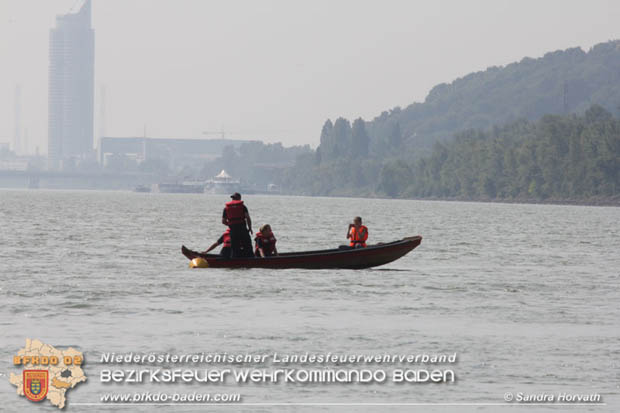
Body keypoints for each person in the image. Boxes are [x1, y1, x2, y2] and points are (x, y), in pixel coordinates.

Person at [222, 192, 254, 257]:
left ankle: (234, 262)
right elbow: (247, 217)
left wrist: (231, 225)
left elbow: (223, 221)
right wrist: (250, 228)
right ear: (239, 198)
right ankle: (251, 260)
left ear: (232, 199)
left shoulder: (226, 208)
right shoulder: (243, 206)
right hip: (242, 229)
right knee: (247, 246)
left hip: (233, 231)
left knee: (234, 247)